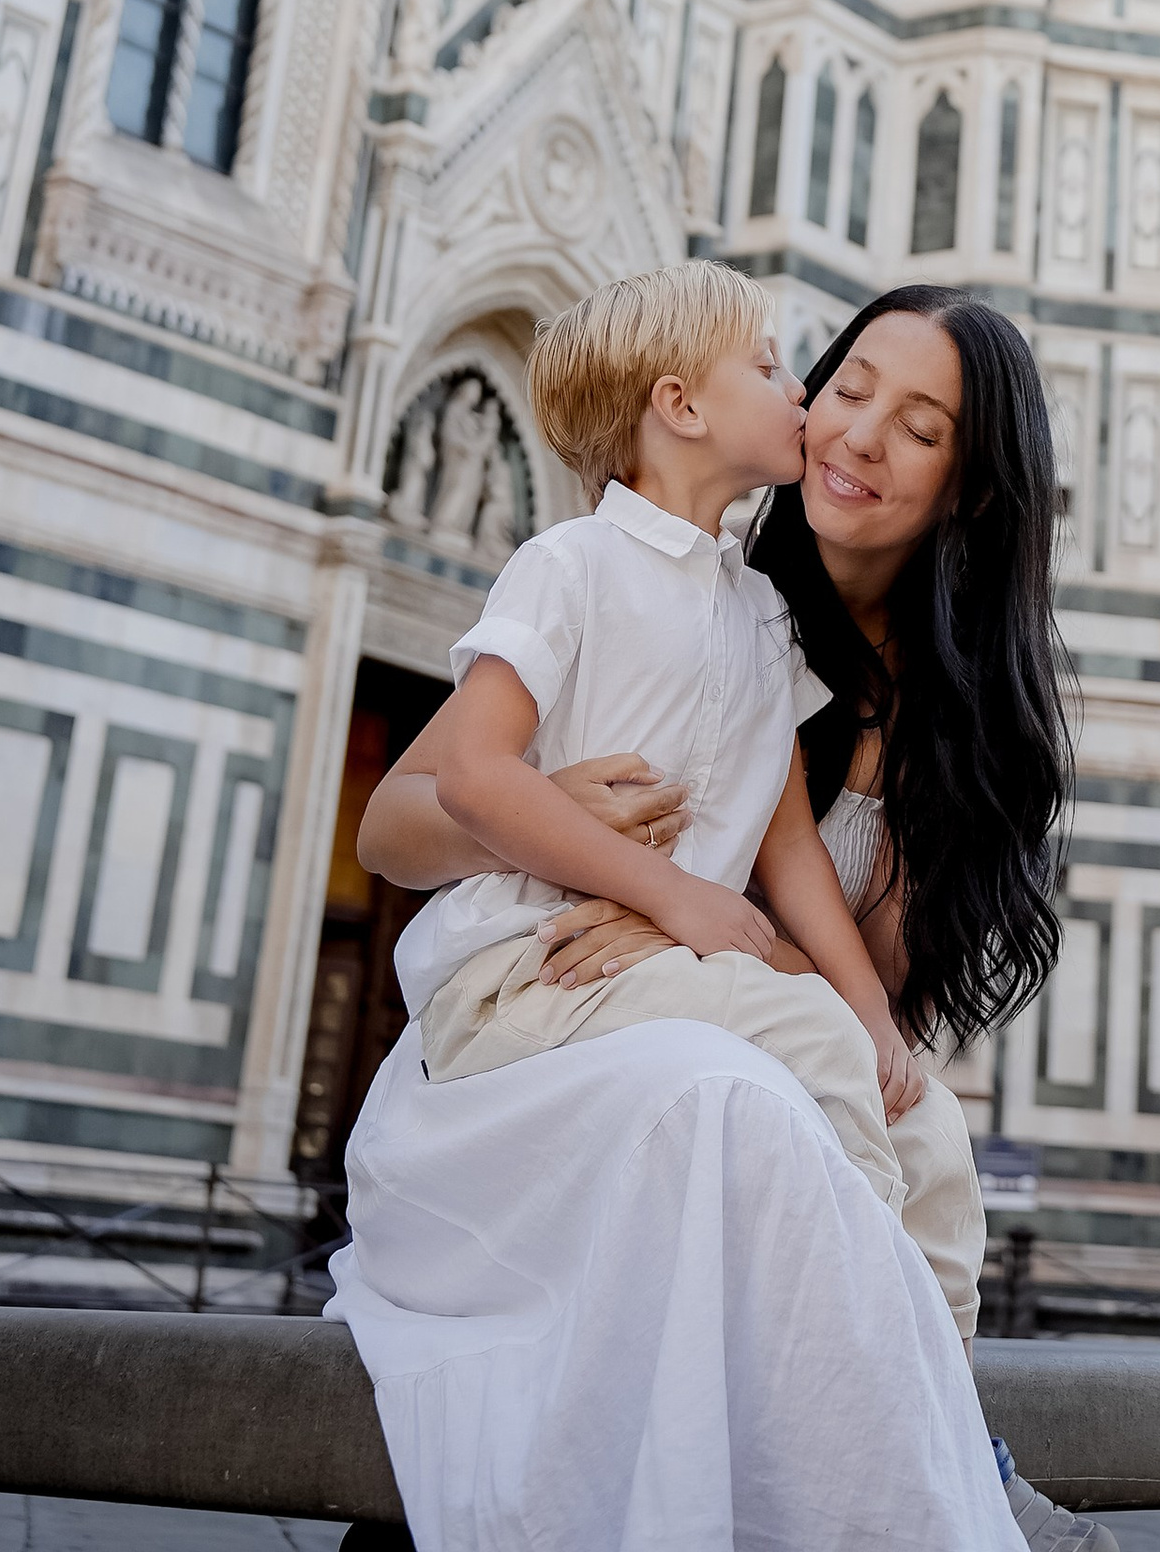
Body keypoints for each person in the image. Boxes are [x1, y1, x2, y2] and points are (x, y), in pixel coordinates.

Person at [346, 282, 1101, 1552]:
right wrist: (562, 821)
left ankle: (944, 1443)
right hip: (591, 1048)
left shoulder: (945, 728)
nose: (852, 431)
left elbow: (839, 950)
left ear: (971, 486)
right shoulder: (633, 577)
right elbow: (399, 823)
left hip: (741, 1039)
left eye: (919, 427)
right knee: (748, 1110)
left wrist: (693, 928)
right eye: (844, 385)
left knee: (914, 1137)